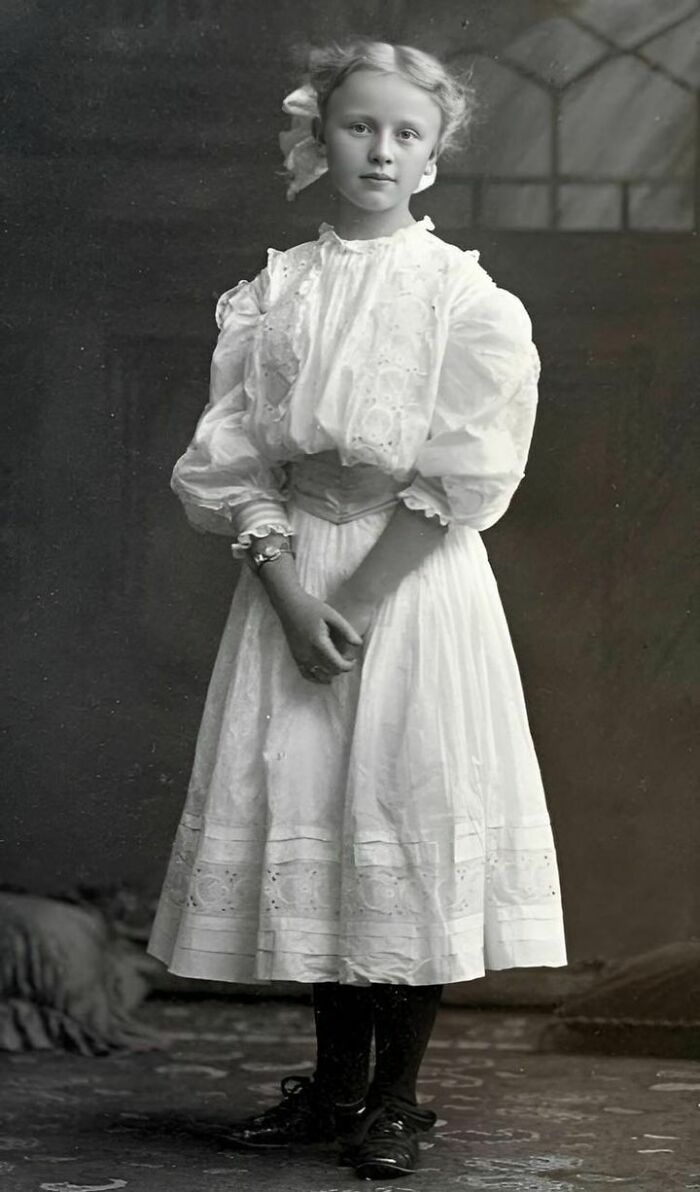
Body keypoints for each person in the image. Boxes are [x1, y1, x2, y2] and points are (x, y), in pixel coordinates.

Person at [147, 37, 568, 1181]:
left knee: (400, 809)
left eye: (405, 133)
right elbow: (230, 462)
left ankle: (396, 1096)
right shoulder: (274, 290)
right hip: (289, 573)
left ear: (433, 158)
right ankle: (330, 1089)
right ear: (316, 136)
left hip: (413, 579)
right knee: (320, 817)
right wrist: (289, 594)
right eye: (357, 126)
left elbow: (469, 470)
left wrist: (361, 600)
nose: (380, 149)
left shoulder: (463, 298)